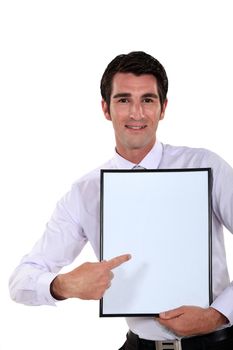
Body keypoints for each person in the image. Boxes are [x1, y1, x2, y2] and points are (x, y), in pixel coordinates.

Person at [9, 51, 233, 350]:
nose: (136, 113)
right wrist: (62, 285)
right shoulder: (85, 192)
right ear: (106, 108)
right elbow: (21, 281)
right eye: (124, 99)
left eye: (148, 100)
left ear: (163, 108)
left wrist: (218, 314)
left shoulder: (207, 166)